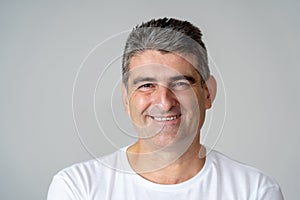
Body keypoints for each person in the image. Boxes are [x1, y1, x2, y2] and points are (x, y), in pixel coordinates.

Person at [47, 17, 284, 199]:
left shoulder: (254, 190)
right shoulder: (78, 188)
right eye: (147, 85)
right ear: (126, 99)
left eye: (180, 83)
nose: (164, 102)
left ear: (208, 93)